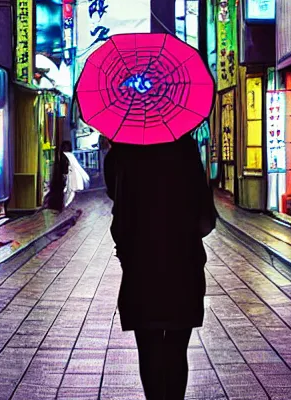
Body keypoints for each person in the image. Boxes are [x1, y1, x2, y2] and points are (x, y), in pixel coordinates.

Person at [104, 133, 217, 400]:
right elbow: (206, 221)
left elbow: (117, 212)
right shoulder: (185, 148)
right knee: (177, 350)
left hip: (140, 268)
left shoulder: (123, 151)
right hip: (183, 266)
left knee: (149, 349)